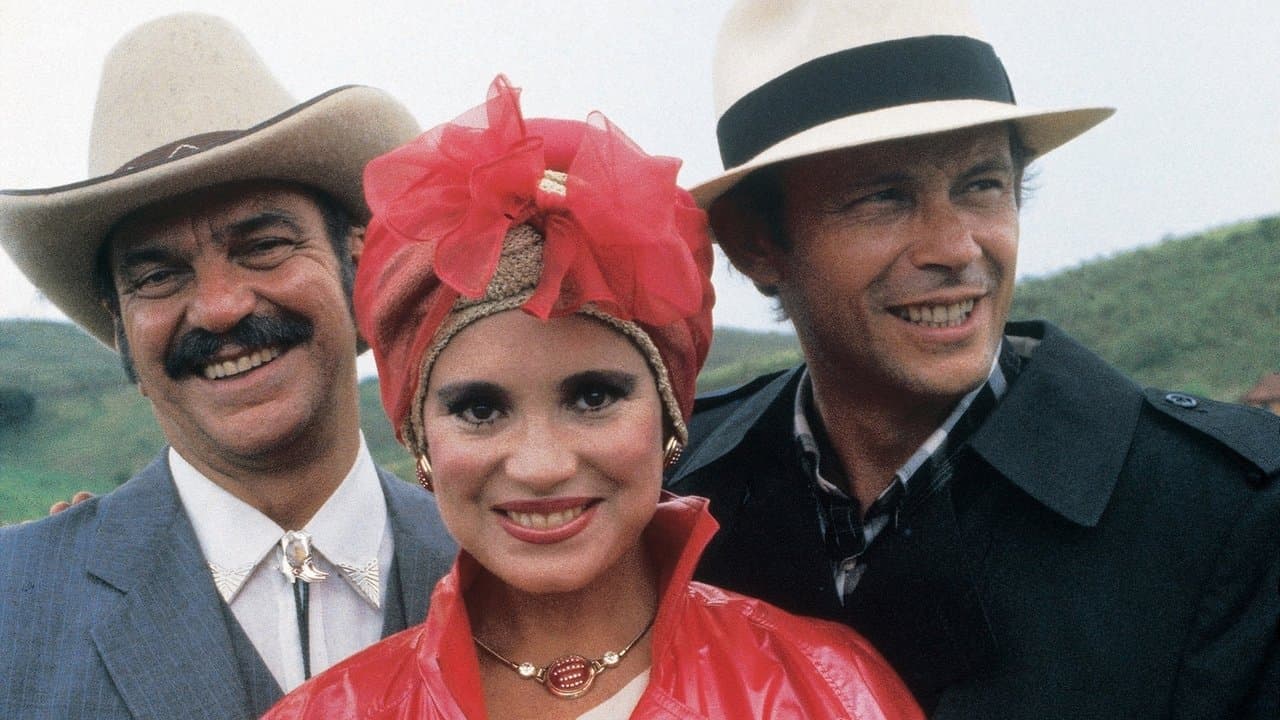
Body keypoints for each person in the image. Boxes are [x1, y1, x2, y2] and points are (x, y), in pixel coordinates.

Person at [665, 1, 1280, 718]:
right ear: (755, 244)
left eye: (982, 185)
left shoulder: (1228, 511)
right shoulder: (669, 496)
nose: (956, 248)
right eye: (884, 198)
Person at [263, 75, 923, 719]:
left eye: (593, 398)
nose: (542, 465)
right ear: (419, 440)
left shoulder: (829, 693)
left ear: (670, 418)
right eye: (480, 410)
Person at [0, 14, 454, 719]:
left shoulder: (512, 571)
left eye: (264, 246)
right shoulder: (13, 606)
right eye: (158, 276)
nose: (218, 307)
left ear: (358, 262)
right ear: (120, 326)